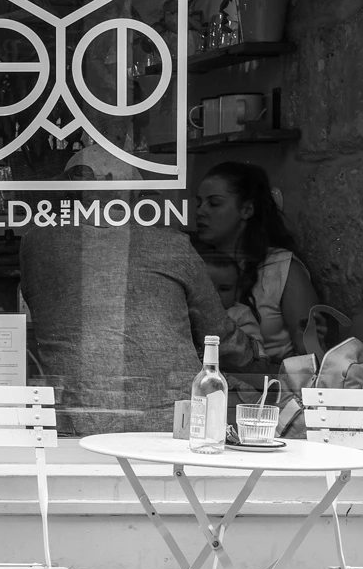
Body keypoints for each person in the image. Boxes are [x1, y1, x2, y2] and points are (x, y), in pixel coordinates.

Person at [21, 148, 247, 436]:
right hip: (168, 423)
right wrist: (259, 354)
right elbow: (218, 336)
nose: (142, 206)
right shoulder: (171, 245)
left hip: (73, 421)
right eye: (140, 197)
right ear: (120, 191)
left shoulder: (36, 244)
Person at [191, 162, 319, 369]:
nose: (201, 212)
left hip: (269, 391)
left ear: (247, 209)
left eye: (213, 203)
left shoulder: (282, 269)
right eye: (199, 203)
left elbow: (311, 358)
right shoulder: (192, 262)